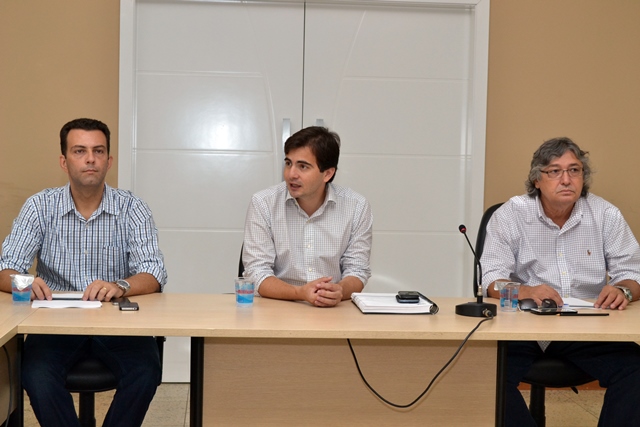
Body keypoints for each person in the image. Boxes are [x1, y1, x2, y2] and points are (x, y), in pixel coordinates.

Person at [0, 118, 167, 427]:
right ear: (64, 161)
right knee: (36, 374)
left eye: (98, 151)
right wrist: (25, 282)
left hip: (117, 321)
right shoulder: (40, 206)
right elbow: (6, 267)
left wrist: (121, 285)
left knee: (145, 372)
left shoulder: (133, 207)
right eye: (80, 151)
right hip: (54, 323)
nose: (90, 159)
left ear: (109, 161)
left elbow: (153, 272)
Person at [481, 137, 640, 426]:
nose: (566, 179)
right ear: (537, 180)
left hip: (585, 326)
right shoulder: (511, 215)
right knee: (481, 374)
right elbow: (491, 280)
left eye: (574, 170)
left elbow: (633, 273)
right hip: (522, 326)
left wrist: (623, 291)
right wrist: (525, 290)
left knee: (636, 370)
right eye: (555, 171)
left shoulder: (605, 214)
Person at [242, 126, 372, 307]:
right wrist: (299, 293)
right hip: (278, 306)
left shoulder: (356, 206)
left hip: (333, 310)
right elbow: (256, 272)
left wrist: (339, 291)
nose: (291, 174)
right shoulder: (263, 203)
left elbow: (358, 270)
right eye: (288, 163)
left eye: (303, 166)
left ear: (328, 173)